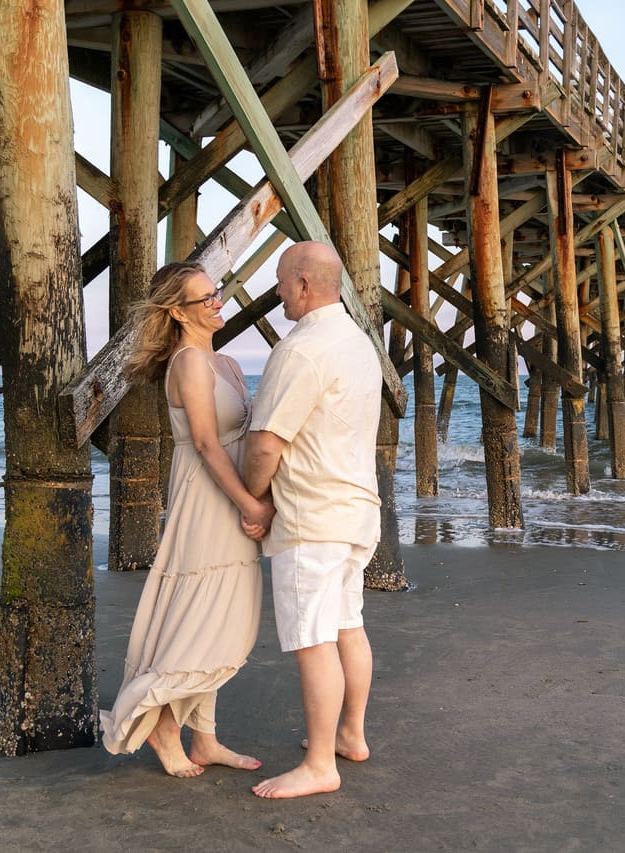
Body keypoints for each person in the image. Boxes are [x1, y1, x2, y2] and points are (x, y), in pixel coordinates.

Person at [100, 261, 274, 777]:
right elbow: (203, 443)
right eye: (206, 298)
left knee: (228, 614)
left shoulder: (227, 365)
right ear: (177, 311)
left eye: (216, 293)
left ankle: (206, 739)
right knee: (203, 616)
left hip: (234, 490)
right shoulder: (188, 364)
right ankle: (159, 723)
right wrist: (248, 502)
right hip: (207, 497)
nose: (218, 302)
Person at [242, 241, 382, 799]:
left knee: (314, 639)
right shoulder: (357, 342)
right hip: (357, 511)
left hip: (311, 516)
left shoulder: (301, 349)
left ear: (303, 284)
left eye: (280, 281)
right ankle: (350, 734)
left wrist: (253, 500)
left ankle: (322, 764)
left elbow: (266, 444)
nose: (277, 292)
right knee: (348, 625)